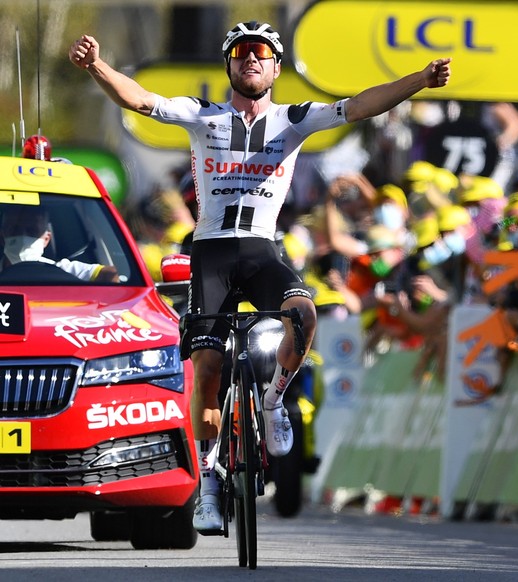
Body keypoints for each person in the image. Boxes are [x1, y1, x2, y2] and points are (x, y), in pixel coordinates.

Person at [69, 21, 451, 533]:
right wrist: (97, 66)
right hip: (212, 254)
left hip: (262, 251)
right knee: (206, 367)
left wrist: (419, 80)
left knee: (304, 314)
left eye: (262, 53)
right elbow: (140, 101)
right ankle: (207, 484)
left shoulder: (293, 120)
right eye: (242, 52)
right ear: (229, 65)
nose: (252, 59)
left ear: (275, 67)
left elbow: (361, 105)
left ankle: (273, 403)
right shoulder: (204, 116)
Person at [0, 205, 119, 282]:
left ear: (46, 239)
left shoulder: (59, 269)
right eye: (14, 229)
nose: (22, 236)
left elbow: (113, 274)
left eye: (32, 231)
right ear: (2, 235)